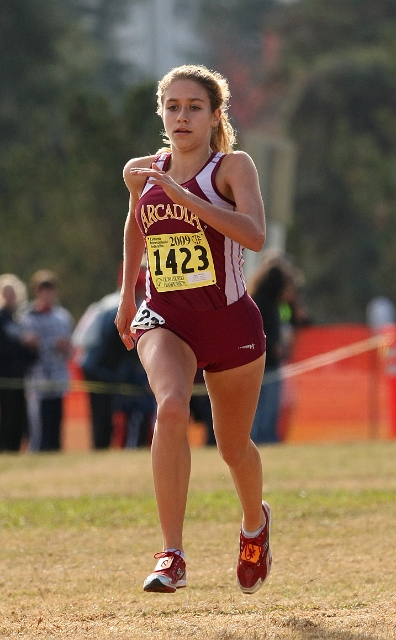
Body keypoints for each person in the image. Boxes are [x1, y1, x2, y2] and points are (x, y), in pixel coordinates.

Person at [115, 64, 271, 595]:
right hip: (166, 318)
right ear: (162, 113)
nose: (182, 116)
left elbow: (254, 235)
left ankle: (255, 525)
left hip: (230, 323)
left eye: (194, 107)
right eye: (173, 106)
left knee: (233, 448)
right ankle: (172, 554)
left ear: (214, 116)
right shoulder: (147, 170)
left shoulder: (232, 168)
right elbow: (137, 226)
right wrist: (127, 296)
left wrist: (187, 199)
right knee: (172, 406)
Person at [21, 270, 74, 452]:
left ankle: (55, 453)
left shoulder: (63, 317)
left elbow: (70, 352)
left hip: (58, 377)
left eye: (50, 289)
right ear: (36, 291)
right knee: (38, 426)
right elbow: (26, 347)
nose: (46, 293)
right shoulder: (27, 316)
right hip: (38, 379)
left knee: (55, 423)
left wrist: (65, 348)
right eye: (42, 289)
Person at [0, 275, 37, 452]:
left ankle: (13, 449)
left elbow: (28, 354)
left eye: (12, 292)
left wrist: (32, 348)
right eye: (6, 292)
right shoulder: (1, 318)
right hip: (4, 376)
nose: (10, 296)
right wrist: (20, 343)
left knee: (18, 416)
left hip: (19, 376)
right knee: (6, 415)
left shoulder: (19, 318)